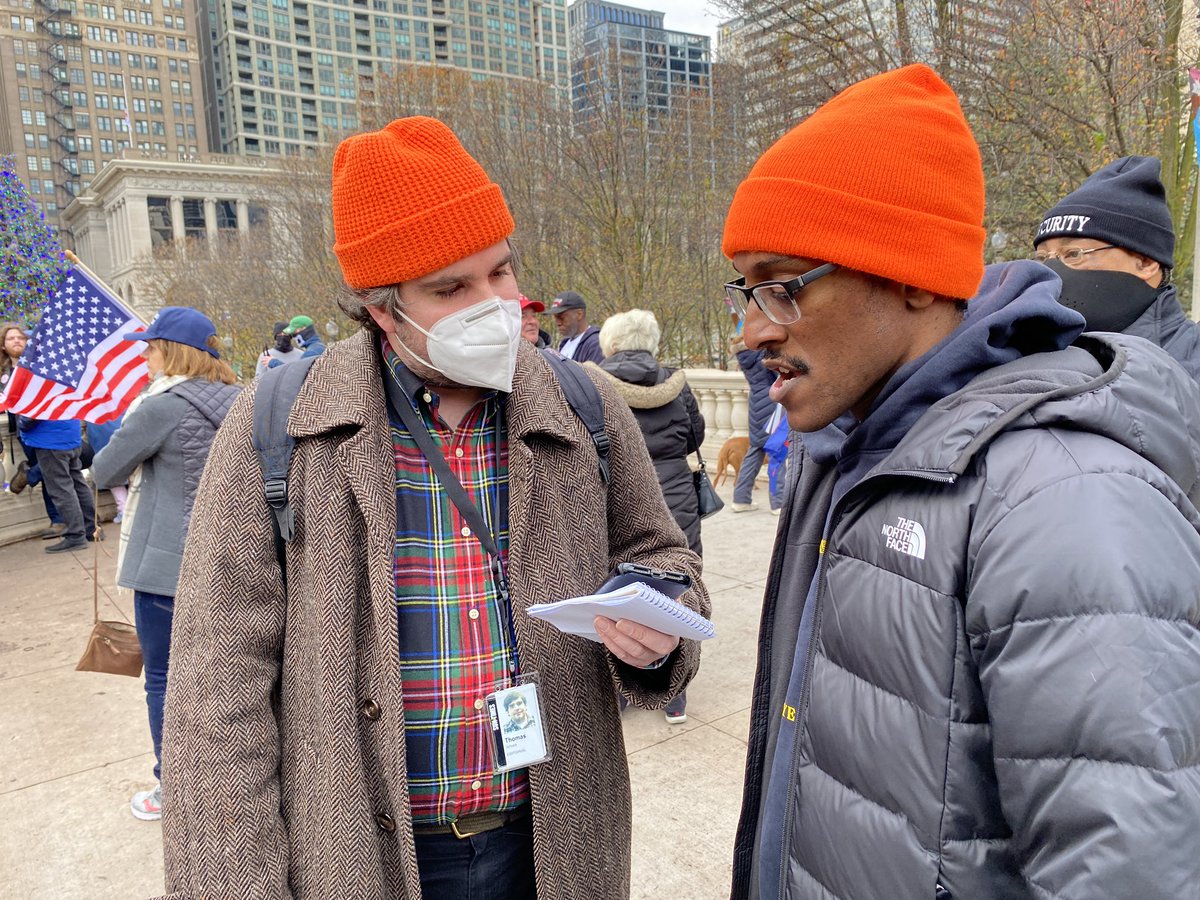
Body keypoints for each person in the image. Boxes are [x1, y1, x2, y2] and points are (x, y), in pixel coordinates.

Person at [155, 116, 708, 900]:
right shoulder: (275, 423)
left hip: (551, 843)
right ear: (382, 308)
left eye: (502, 272)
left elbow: (665, 556)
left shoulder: (585, 403)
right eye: (452, 289)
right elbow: (217, 691)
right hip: (367, 852)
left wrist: (656, 639)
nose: (496, 306)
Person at [723, 64, 1200, 900]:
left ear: (910, 276)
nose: (753, 330)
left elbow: (1130, 866)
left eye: (783, 287)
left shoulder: (1065, 496)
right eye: (746, 290)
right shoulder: (845, 451)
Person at [91, 306, 239, 822]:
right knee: (230, 677)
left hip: (166, 570)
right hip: (232, 563)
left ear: (171, 352)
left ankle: (172, 788)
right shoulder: (244, 400)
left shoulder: (159, 407)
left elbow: (105, 468)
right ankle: (236, 780)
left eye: (150, 347)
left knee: (164, 680)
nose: (144, 355)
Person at [591, 308, 705, 725]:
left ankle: (620, 687)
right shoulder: (677, 384)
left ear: (612, 343)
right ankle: (676, 694)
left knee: (613, 588)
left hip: (617, 496)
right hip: (676, 494)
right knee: (678, 588)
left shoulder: (590, 384)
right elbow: (696, 435)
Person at [1033, 155, 1200, 380]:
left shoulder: (1192, 364)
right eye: (1043, 258)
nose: (1051, 272)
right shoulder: (1027, 355)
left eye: (1073, 254)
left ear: (1146, 262)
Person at [729, 330, 781, 513]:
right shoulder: (762, 353)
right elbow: (778, 375)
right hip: (772, 403)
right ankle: (778, 502)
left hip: (756, 403)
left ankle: (740, 499)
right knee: (777, 452)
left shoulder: (744, 356)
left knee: (756, 449)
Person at [549, 290, 604, 364]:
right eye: (555, 318)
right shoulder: (564, 343)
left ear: (579, 314)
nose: (558, 323)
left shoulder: (595, 344)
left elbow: (595, 375)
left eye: (562, 317)